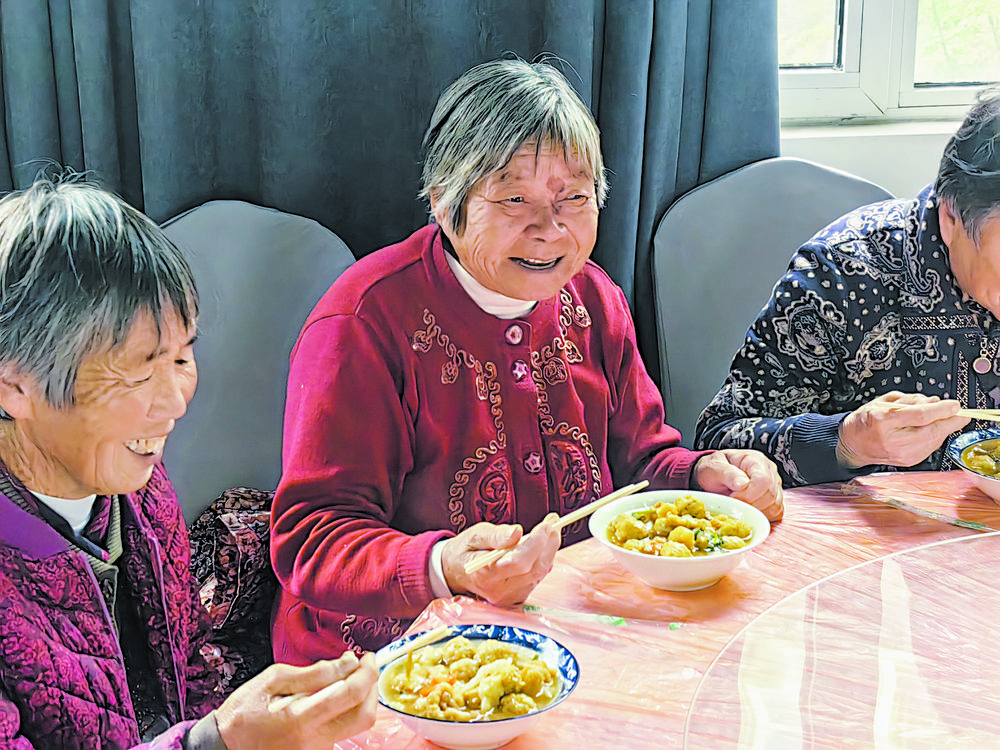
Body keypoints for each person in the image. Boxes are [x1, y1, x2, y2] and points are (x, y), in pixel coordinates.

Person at [269, 58, 784, 666]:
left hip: (570, 629)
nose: (549, 230)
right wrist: (445, 567)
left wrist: (705, 476)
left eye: (573, 198)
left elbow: (643, 461)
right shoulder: (364, 326)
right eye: (514, 198)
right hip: (394, 662)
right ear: (444, 200)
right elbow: (313, 538)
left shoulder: (594, 299)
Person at [0, 175, 378, 749]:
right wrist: (216, 742)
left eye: (182, 357)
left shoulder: (139, 494)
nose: (175, 401)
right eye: (137, 372)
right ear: (14, 388)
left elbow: (187, 673)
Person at [695, 88, 1000, 487]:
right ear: (951, 218)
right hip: (871, 539)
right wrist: (844, 443)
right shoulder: (844, 269)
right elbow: (718, 440)